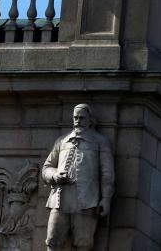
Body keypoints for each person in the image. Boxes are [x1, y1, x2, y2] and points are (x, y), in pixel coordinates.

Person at [42, 103, 114, 250]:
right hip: (60, 201)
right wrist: (55, 175)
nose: (78, 121)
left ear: (90, 120)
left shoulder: (100, 142)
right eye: (75, 117)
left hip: (87, 202)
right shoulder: (62, 141)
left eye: (82, 118)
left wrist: (106, 199)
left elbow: (107, 173)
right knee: (52, 240)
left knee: (83, 243)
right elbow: (46, 168)